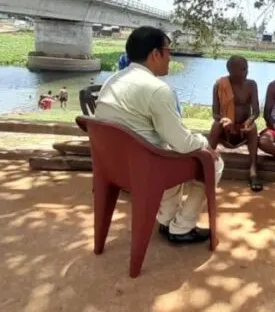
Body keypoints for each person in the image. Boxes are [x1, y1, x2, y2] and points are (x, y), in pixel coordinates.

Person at [95, 26, 224, 245]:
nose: (170, 57)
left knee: (167, 150)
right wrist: (205, 143)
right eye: (168, 51)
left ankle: (166, 219)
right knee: (212, 162)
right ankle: (182, 227)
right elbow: (183, 143)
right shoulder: (156, 88)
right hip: (145, 168)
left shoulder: (113, 80)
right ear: (156, 54)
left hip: (113, 167)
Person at [209, 56, 261, 191]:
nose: (246, 72)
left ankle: (253, 171)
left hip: (243, 129)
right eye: (243, 69)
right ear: (231, 70)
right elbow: (215, 113)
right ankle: (207, 164)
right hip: (226, 130)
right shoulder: (220, 84)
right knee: (215, 126)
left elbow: (256, 111)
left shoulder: (251, 85)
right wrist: (224, 121)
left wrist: (249, 122)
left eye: (247, 68)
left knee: (253, 127)